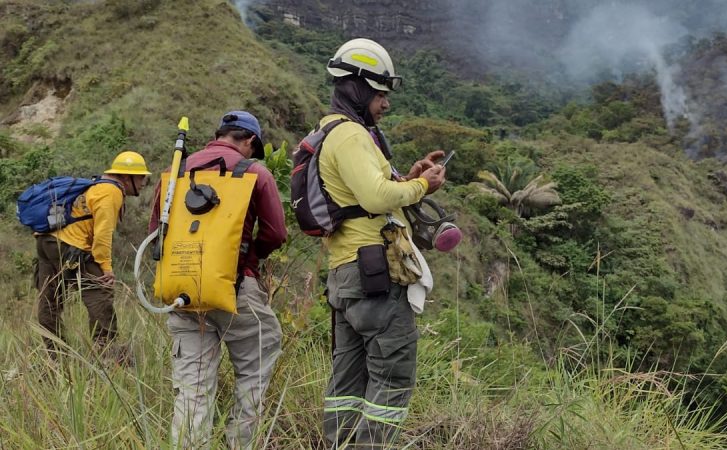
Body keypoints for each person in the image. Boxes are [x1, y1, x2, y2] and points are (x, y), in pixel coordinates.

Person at [319, 38, 446, 448]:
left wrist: (409, 180)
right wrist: (424, 184)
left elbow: (366, 194)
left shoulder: (329, 132)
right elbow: (375, 198)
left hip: (346, 277)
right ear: (357, 88)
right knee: (391, 380)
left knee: (347, 386)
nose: (384, 104)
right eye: (378, 94)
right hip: (373, 274)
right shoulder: (351, 135)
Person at [148, 111, 287, 449]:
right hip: (236, 289)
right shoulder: (255, 172)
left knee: (191, 390)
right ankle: (239, 444)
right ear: (250, 141)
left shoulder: (175, 171)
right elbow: (276, 233)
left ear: (220, 134)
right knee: (254, 371)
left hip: (182, 292)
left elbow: (155, 233)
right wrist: (249, 258)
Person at [36, 150, 151, 359]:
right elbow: (103, 233)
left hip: (46, 241)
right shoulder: (111, 191)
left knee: (49, 301)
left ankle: (55, 358)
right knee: (101, 293)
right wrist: (106, 268)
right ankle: (108, 355)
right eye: (141, 177)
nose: (144, 182)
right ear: (127, 177)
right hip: (69, 246)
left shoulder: (96, 185)